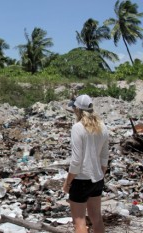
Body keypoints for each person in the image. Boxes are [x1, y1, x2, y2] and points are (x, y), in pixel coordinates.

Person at [63, 94, 109, 233]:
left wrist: (68, 182)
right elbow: (104, 157)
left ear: (77, 110)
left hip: (81, 180)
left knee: (79, 222)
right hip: (97, 179)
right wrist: (100, 175)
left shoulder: (78, 127)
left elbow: (76, 160)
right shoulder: (103, 127)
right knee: (97, 218)